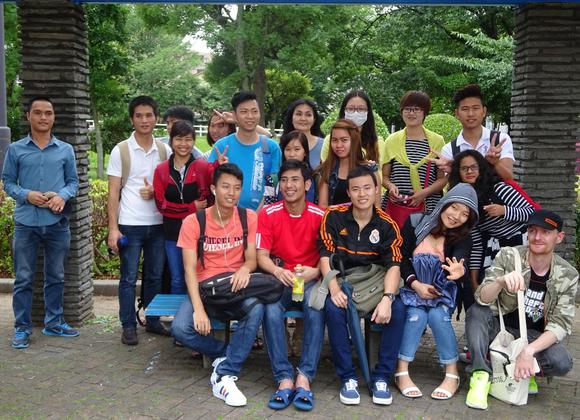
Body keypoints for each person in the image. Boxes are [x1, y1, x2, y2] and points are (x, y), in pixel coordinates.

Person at [464, 209, 577, 410]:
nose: (537, 237)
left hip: (532, 336)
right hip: (500, 330)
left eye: (545, 232)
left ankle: (525, 370)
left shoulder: (568, 275)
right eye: (532, 231)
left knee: (561, 362)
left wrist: (529, 351)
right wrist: (499, 282)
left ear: (559, 237)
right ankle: (480, 374)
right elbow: (482, 297)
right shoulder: (508, 256)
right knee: (477, 311)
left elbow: (560, 325)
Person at [171, 163, 263, 407]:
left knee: (257, 308)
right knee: (180, 328)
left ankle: (225, 372)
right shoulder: (193, 221)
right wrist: (199, 309)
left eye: (237, 188)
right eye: (225, 187)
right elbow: (189, 269)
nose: (231, 193)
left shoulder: (248, 217)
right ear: (213, 188)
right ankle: (226, 352)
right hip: (205, 289)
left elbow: (252, 259)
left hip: (235, 288)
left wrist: (244, 269)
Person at [320, 166, 405, 406]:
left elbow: (394, 265)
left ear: (377, 190)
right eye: (356, 189)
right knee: (333, 309)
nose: (362, 194)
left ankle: (382, 377)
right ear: (348, 192)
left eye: (367, 188)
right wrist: (334, 289)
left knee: (399, 310)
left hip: (375, 282)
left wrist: (388, 298)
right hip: (343, 280)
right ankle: (347, 377)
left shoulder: (387, 224)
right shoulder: (333, 216)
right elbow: (325, 256)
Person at [2, 96, 80, 349]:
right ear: (29, 116)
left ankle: (54, 322)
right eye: (38, 112)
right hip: (26, 223)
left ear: (54, 117)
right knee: (24, 278)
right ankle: (22, 328)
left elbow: (73, 182)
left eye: (48, 112)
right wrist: (27, 195)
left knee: (56, 276)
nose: (43, 117)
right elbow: (8, 182)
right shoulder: (16, 149)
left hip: (57, 223)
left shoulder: (65, 150)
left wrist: (61, 196)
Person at [394, 183, 479, 400]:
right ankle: (401, 371)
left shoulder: (463, 237)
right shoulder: (415, 222)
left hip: (441, 292)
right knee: (416, 315)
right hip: (412, 288)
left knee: (438, 316)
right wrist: (415, 284)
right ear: (445, 203)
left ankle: (452, 373)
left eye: (464, 214)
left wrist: (459, 270)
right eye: (454, 207)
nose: (456, 216)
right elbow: (401, 258)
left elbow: (460, 259)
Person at [257, 160, 326, 411]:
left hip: (310, 280)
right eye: (284, 180)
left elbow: (329, 257)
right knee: (270, 309)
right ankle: (284, 377)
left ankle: (305, 377)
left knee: (316, 306)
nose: (288, 185)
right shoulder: (268, 213)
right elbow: (262, 256)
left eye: (295, 180)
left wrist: (315, 271)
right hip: (280, 280)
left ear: (307, 185)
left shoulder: (321, 216)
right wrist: (278, 271)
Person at [107, 95, 172, 345]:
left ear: (156, 118)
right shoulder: (121, 150)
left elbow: (171, 186)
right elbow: (113, 192)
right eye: (139, 116)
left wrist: (156, 191)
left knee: (155, 276)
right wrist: (113, 229)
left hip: (158, 224)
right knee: (128, 277)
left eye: (149, 115)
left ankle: (153, 320)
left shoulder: (165, 150)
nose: (144, 120)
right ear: (132, 119)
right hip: (130, 223)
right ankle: (128, 325)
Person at [448, 150, 536, 302]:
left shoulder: (500, 189)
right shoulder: (466, 202)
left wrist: (504, 211)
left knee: (523, 290)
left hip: (522, 244)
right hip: (495, 249)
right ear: (458, 173)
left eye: (474, 167)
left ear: (481, 168)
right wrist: (474, 281)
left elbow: (533, 213)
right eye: (464, 168)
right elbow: (476, 243)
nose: (469, 171)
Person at [153, 120, 228, 294]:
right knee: (177, 279)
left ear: (194, 141)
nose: (183, 144)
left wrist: (219, 167)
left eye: (188, 139)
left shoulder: (203, 167)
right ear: (171, 140)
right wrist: (191, 208)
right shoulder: (161, 170)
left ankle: (199, 310)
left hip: (200, 234)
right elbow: (161, 205)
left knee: (199, 276)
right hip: (172, 234)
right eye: (179, 139)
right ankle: (180, 313)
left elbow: (215, 189)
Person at [209, 91, 282, 211]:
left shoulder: (271, 147)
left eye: (254, 111)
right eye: (244, 111)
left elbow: (273, 185)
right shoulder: (221, 147)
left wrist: (256, 216)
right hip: (228, 216)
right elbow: (210, 182)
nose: (250, 116)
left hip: (263, 216)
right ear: (234, 116)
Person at [381, 91, 447, 223]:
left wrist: (424, 193)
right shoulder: (391, 141)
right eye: (407, 109)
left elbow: (442, 179)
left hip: (428, 208)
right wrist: (391, 187)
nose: (411, 113)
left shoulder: (437, 141)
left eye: (416, 109)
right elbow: (384, 176)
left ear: (424, 112)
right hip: (396, 206)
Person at [433, 84, 514, 180]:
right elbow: (451, 184)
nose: (470, 114)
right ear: (457, 113)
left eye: (475, 108)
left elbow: (509, 178)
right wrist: (453, 169)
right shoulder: (449, 149)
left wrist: (495, 163)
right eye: (465, 109)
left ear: (484, 111)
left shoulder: (500, 140)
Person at [317, 119, 380, 208]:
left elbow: (377, 207)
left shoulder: (370, 169)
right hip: (333, 217)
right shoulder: (326, 170)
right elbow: (323, 207)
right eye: (334, 140)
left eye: (344, 140)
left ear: (354, 141)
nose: (339, 145)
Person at [321, 90, 382, 164]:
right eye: (351, 109)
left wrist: (369, 168)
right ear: (344, 110)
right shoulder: (330, 140)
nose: (356, 113)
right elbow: (325, 167)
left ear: (368, 112)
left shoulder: (377, 142)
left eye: (361, 109)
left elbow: (381, 170)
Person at [264, 130, 316, 205]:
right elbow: (267, 207)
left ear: (305, 152)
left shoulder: (315, 177)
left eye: (297, 149)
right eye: (288, 149)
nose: (292, 154)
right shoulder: (273, 180)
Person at [282, 99, 325, 169]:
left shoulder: (324, 145)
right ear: (291, 118)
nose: (303, 118)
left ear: (314, 120)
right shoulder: (282, 145)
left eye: (308, 115)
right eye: (298, 114)